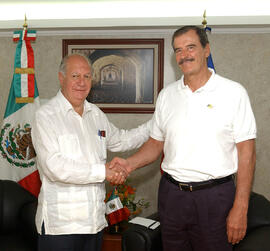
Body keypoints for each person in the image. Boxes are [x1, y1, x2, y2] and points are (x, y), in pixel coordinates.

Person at [110, 25, 256, 251]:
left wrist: (241, 206)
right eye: (178, 50)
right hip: (172, 196)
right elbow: (156, 143)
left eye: (190, 47)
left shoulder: (234, 93)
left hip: (214, 198)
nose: (184, 55)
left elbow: (247, 153)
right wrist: (129, 164)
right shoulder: (167, 95)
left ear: (206, 50)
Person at [31, 53, 151, 251]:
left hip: (94, 224)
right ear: (61, 78)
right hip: (61, 228)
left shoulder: (95, 114)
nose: (81, 82)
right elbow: (55, 167)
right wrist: (104, 172)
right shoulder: (46, 116)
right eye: (75, 76)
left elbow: (121, 139)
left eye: (87, 76)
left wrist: (156, 125)